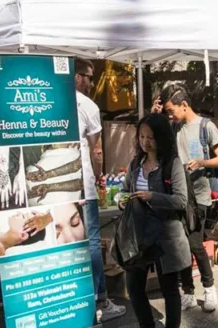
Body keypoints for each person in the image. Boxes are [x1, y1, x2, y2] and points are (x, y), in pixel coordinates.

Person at [121, 113, 191, 328]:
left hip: (165, 236)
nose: (145, 142)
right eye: (141, 136)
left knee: (169, 289)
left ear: (161, 137)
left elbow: (181, 200)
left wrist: (153, 196)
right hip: (139, 237)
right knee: (134, 286)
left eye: (150, 137)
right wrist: (122, 200)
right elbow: (124, 190)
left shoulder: (172, 164)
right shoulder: (135, 164)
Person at [160, 84, 218, 312]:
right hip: (178, 195)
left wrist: (201, 163)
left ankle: (209, 287)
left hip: (199, 196)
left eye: (171, 110)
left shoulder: (206, 126)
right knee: (181, 246)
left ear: (184, 105)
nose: (170, 115)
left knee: (195, 244)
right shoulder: (174, 127)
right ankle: (187, 291)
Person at [74, 57, 126, 321]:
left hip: (61, 189)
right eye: (89, 77)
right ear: (77, 77)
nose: (92, 83)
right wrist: (98, 176)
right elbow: (96, 150)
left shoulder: (54, 103)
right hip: (83, 183)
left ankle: (75, 301)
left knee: (70, 242)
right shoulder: (87, 106)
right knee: (92, 242)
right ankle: (100, 301)